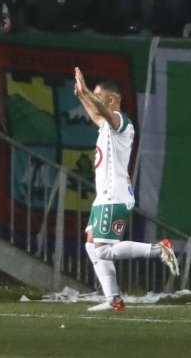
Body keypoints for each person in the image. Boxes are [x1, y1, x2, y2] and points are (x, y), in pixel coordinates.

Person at [73, 67, 179, 313]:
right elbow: (96, 114)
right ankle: (114, 298)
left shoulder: (121, 122)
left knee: (106, 250)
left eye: (100, 96)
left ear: (111, 100)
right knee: (91, 243)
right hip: (105, 196)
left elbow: (103, 113)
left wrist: (87, 92)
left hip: (114, 195)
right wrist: (82, 95)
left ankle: (159, 250)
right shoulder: (106, 125)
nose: (95, 100)